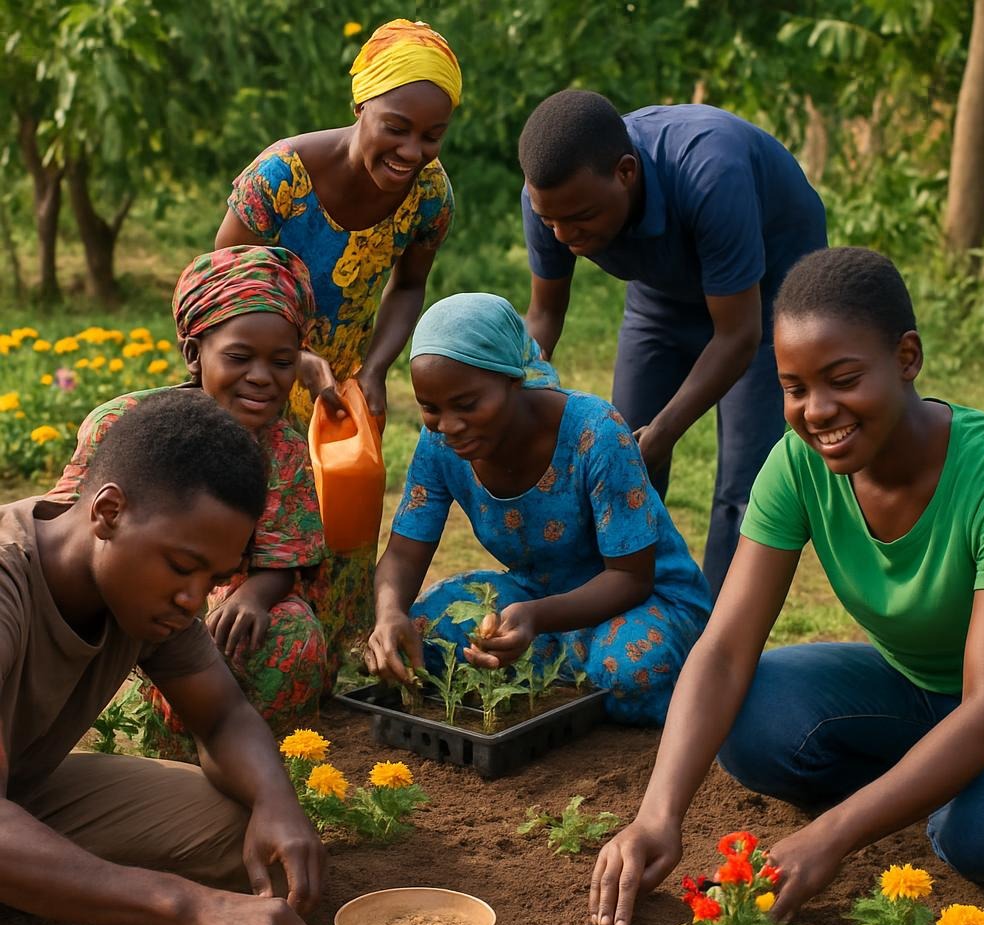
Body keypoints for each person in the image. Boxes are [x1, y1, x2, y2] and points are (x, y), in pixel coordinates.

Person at [588, 247, 984, 925]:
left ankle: (950, 795)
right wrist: (657, 815)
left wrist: (836, 833)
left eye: (842, 378)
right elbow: (725, 649)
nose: (818, 411)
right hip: (918, 690)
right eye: (794, 387)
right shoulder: (799, 465)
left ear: (906, 357)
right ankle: (931, 782)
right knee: (752, 717)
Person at [1, 391, 335, 925]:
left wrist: (276, 800)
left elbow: (223, 714)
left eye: (211, 579)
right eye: (183, 568)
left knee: (246, 841)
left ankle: (32, 874)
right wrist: (185, 909)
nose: (195, 600)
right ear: (108, 511)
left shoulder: (142, 588)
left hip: (15, 792)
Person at [216, 17, 461, 676]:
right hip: (255, 375)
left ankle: (328, 657)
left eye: (432, 135)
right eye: (398, 127)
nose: (413, 150)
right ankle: (229, 656)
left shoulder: (430, 198)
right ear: (361, 106)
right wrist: (286, 358)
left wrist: (376, 369)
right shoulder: (281, 178)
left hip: (343, 386)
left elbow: (410, 287)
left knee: (344, 521)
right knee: (255, 518)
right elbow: (223, 289)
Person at [518, 89, 828, 596]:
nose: (562, 233)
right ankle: (631, 614)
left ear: (626, 172)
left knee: (748, 489)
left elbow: (738, 334)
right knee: (626, 464)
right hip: (662, 294)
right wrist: (516, 393)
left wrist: (663, 432)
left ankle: (719, 642)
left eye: (580, 219)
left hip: (773, 297)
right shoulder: (550, 199)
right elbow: (544, 316)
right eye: (549, 219)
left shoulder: (711, 171)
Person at [365, 293, 711, 725]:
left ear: (513, 381)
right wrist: (389, 613)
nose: (449, 426)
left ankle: (651, 674)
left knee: (629, 666)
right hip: (533, 600)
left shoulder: (595, 432)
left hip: (641, 601)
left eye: (467, 405)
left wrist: (536, 618)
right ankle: (559, 669)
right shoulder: (439, 444)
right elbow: (403, 553)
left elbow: (631, 578)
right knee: (423, 632)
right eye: (431, 408)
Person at [49, 246, 328, 757]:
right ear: (195, 354)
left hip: (220, 605)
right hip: (128, 595)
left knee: (293, 631)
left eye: (282, 361)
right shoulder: (124, 425)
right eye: (240, 358)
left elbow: (284, 560)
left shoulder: (284, 449)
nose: (262, 377)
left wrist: (250, 598)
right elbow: (68, 535)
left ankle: (254, 751)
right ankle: (155, 741)